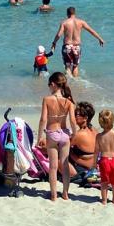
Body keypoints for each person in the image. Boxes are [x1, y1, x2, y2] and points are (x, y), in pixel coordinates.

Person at [37, 72, 77, 201]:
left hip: (52, 134)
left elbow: (43, 119)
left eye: (49, 85)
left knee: (53, 167)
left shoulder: (47, 99)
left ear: (53, 84)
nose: (49, 87)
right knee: (65, 166)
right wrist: (74, 133)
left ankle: (54, 195)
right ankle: (65, 194)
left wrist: (39, 137)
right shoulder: (68, 101)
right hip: (65, 133)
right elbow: (72, 120)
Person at [51, 7, 105, 77]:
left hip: (67, 47)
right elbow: (91, 31)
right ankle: (76, 82)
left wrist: (54, 43)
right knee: (75, 66)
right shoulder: (81, 22)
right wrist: (100, 38)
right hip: (77, 47)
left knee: (68, 66)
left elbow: (59, 34)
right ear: (75, 13)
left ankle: (69, 82)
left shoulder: (64, 22)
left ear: (67, 13)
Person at [93, 109, 114, 205]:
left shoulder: (99, 136)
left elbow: (96, 151)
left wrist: (94, 162)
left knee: (104, 183)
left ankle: (104, 200)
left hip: (104, 161)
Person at [67, 102, 98, 179]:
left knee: (58, 159)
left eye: (76, 115)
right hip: (93, 165)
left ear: (85, 118)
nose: (74, 117)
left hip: (83, 167)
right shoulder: (94, 130)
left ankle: (73, 176)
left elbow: (63, 146)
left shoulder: (79, 134)